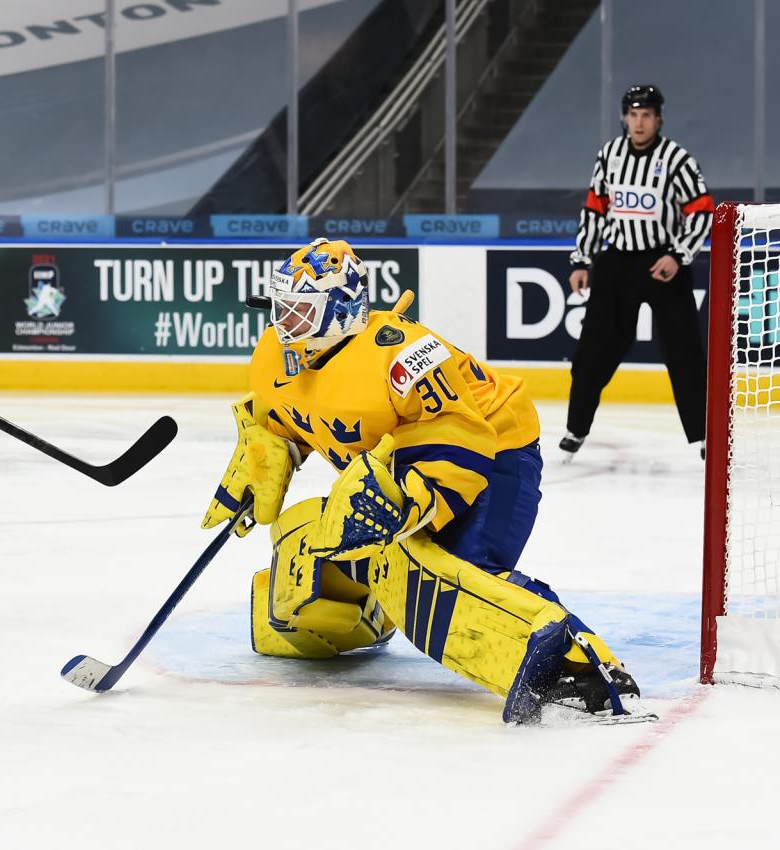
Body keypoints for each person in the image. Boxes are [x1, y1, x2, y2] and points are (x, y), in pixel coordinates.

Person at [202, 238, 655, 725]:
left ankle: (581, 665)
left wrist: (409, 502)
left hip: (495, 450)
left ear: (342, 309)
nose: (284, 322)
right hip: (404, 460)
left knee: (445, 576)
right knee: (304, 552)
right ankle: (372, 612)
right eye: (281, 307)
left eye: (300, 311)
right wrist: (267, 456)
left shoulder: (403, 356)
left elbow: (460, 439)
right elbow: (288, 418)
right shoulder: (277, 352)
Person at [562, 84, 713, 460]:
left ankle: (703, 437)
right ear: (624, 118)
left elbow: (702, 211)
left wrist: (678, 255)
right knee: (593, 350)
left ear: (659, 118)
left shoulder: (677, 159)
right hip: (617, 265)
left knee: (685, 353)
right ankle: (575, 429)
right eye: (633, 114)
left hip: (663, 265)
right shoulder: (609, 156)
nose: (639, 122)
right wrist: (582, 260)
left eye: (647, 114)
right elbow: (595, 211)